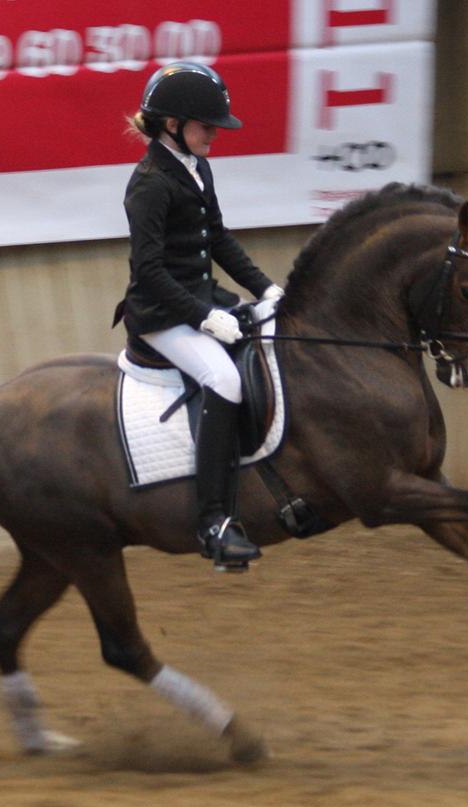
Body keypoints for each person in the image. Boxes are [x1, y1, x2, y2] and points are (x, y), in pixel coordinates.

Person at [115, 61, 285, 572]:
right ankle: (213, 520)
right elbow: (147, 272)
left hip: (200, 297)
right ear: (172, 125)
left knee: (271, 337)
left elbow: (221, 239)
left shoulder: (196, 166)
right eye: (206, 125)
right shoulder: (148, 184)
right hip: (160, 315)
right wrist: (206, 318)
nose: (214, 133)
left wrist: (267, 289)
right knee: (224, 379)